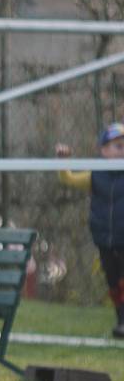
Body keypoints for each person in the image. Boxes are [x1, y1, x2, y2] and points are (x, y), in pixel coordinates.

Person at [55, 122, 124, 338]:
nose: (122, 150)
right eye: (118, 146)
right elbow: (68, 178)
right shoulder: (96, 175)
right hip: (104, 239)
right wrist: (63, 161)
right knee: (113, 282)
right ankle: (121, 320)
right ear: (103, 151)